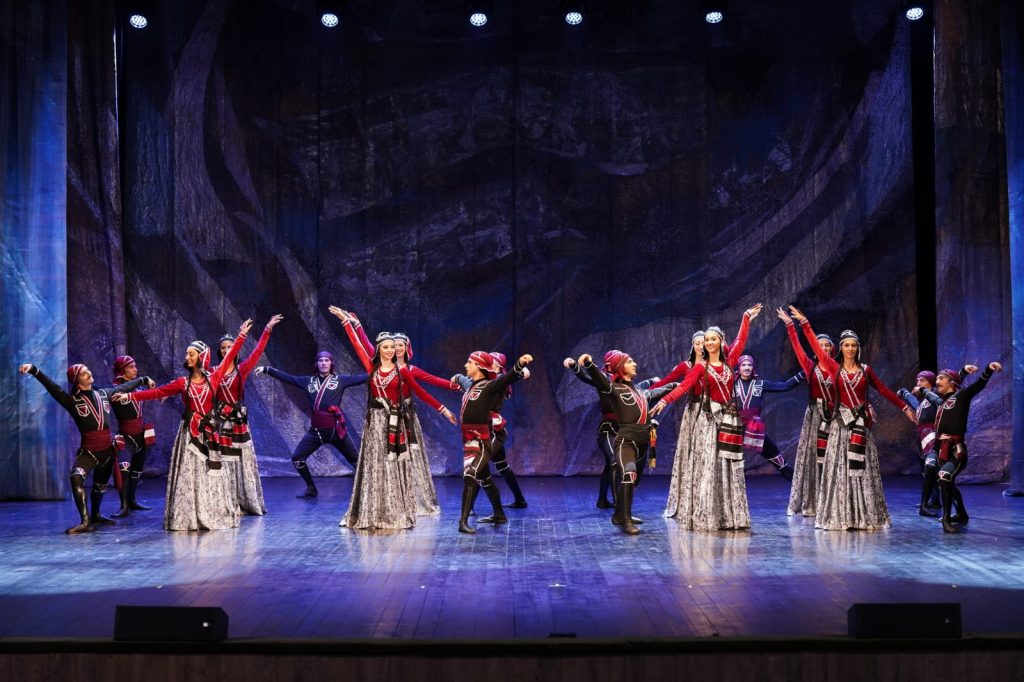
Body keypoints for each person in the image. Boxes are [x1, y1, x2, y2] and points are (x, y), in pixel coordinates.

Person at [121, 319, 254, 531]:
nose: (187, 357)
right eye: (186, 354)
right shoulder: (182, 383)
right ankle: (188, 516)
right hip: (189, 435)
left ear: (201, 357)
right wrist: (130, 396)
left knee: (211, 474)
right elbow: (157, 392)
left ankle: (212, 512)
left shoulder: (214, 378)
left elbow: (230, 356)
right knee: (189, 475)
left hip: (209, 434)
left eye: (191, 354)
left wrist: (242, 335)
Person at [332, 308, 458, 516]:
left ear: (406, 348)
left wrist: (454, 390)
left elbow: (427, 387)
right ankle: (377, 503)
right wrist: (354, 325)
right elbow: (364, 347)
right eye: (391, 345)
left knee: (405, 458)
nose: (395, 349)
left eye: (399, 345)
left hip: (402, 416)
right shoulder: (375, 366)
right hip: (377, 419)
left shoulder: (407, 371)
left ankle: (408, 498)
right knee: (376, 460)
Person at [652, 304, 762, 531]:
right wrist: (664, 401)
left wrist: (745, 318)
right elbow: (683, 386)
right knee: (709, 466)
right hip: (708, 421)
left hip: (728, 420)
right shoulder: (700, 367)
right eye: (707, 340)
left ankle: (729, 516)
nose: (709, 343)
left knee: (728, 467)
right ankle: (707, 515)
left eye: (713, 339)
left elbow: (741, 341)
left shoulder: (730, 361)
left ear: (721, 342)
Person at [803, 319, 914, 531]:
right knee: (840, 470)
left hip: (861, 426)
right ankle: (841, 515)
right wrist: (804, 324)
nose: (850, 348)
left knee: (862, 469)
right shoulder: (833, 367)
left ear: (858, 348)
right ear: (841, 347)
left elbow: (883, 389)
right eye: (846, 345)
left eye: (853, 345)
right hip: (841, 426)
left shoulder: (865, 370)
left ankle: (864, 515)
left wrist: (904, 407)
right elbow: (816, 347)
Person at [19, 362, 151, 533]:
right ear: (76, 381)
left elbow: (124, 387)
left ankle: (95, 515)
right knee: (76, 477)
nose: (88, 373)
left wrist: (143, 380)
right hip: (89, 452)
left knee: (100, 486)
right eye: (83, 374)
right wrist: (34, 370)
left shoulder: (103, 393)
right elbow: (52, 387)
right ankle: (86, 521)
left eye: (88, 370)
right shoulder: (72, 400)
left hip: (107, 452)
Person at [578, 351, 675, 535]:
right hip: (626, 442)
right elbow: (599, 379)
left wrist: (679, 385)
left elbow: (660, 391)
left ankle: (619, 515)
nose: (635, 364)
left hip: (642, 443)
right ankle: (626, 519)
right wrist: (589, 365)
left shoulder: (640, 391)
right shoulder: (613, 388)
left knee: (633, 480)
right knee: (628, 474)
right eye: (630, 361)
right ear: (620, 367)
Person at [254, 351, 367, 498]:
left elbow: (363, 378)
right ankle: (311, 489)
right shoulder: (308, 382)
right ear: (317, 364)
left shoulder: (340, 380)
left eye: (326, 360)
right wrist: (267, 369)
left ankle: (368, 489)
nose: (324, 363)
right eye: (321, 360)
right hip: (316, 432)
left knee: (357, 461)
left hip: (336, 432)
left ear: (331, 363)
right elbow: (288, 378)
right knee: (297, 459)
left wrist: (383, 371)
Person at [451, 351, 533, 534]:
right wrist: (456, 378)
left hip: (484, 437)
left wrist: (520, 365)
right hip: (469, 440)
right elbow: (460, 380)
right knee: (485, 477)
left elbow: (509, 377)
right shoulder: (472, 385)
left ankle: (463, 521)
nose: (465, 365)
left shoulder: (492, 384)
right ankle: (499, 514)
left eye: (469, 362)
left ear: (480, 366)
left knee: (471, 474)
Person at [917, 362, 1002, 533]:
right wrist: (919, 390)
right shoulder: (940, 401)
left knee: (944, 476)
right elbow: (929, 391)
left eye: (941, 378)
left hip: (956, 451)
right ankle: (962, 514)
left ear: (951, 382)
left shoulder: (961, 397)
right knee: (947, 482)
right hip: (941, 450)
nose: (937, 382)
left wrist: (988, 369)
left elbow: (978, 385)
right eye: (937, 378)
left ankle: (946, 520)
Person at [214, 314, 283, 515]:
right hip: (220, 422)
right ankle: (223, 500)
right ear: (219, 351)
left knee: (240, 459)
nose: (227, 350)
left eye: (230, 347)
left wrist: (267, 329)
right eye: (223, 348)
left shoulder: (242, 369)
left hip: (237, 421)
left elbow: (258, 351)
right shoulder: (213, 371)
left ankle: (242, 498)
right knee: (223, 460)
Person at [778, 306, 837, 516]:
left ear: (832, 349)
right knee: (814, 458)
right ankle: (815, 500)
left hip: (835, 416)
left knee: (833, 457)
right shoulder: (810, 367)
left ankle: (833, 500)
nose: (824, 348)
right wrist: (790, 326)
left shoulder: (837, 368)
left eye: (827, 345)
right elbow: (797, 347)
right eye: (820, 345)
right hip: (814, 416)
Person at [110, 355, 157, 517]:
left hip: (140, 437)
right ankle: (123, 505)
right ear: (122, 370)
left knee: (137, 470)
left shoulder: (137, 390)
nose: (135, 369)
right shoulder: (116, 389)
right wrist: (144, 380)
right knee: (124, 469)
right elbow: (124, 389)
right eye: (131, 367)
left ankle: (131, 501)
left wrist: (158, 393)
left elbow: (151, 393)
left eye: (135, 366)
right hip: (126, 437)